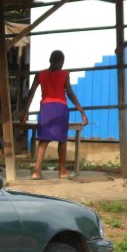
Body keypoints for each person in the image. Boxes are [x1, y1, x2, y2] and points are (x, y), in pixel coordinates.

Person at [21, 50, 88, 179]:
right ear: (60, 61)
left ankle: (36, 171)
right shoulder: (64, 75)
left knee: (43, 141)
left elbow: (31, 93)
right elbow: (70, 93)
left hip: (46, 108)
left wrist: (25, 113)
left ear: (50, 60)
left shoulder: (40, 74)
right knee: (62, 140)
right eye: (62, 62)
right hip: (60, 108)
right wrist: (81, 111)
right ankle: (62, 170)